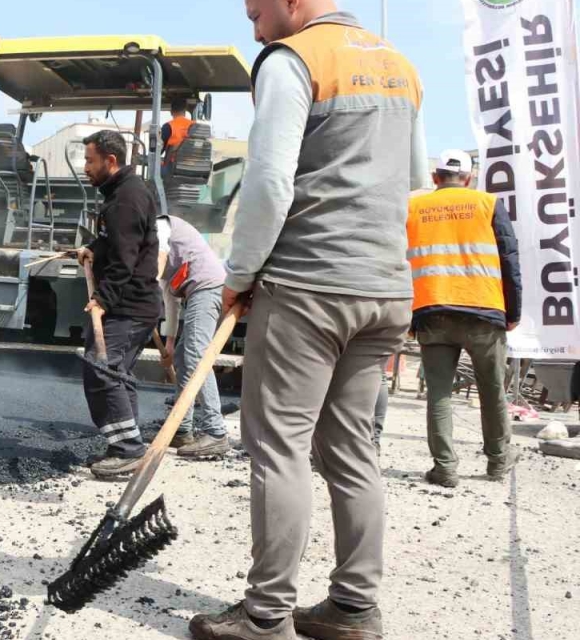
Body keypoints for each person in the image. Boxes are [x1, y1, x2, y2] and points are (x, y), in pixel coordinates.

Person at [190, 3, 426, 639]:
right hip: (383, 291)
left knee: (279, 445)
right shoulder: (400, 67)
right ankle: (354, 608)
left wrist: (239, 274)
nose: (255, 28)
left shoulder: (294, 60)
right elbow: (416, 184)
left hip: (310, 285)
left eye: (258, 12)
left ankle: (266, 616)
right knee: (352, 447)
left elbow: (268, 183)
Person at [408, 149, 522, 488]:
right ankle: (498, 463)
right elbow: (509, 258)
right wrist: (513, 311)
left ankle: (444, 468)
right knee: (491, 391)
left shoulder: (413, 207)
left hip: (431, 312)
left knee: (439, 395)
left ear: (435, 178)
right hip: (484, 312)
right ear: (469, 179)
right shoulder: (488, 204)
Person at [74, 130, 163, 478]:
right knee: (117, 374)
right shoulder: (121, 194)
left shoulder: (126, 199)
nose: (86, 167)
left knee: (102, 368)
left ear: (111, 161)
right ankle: (128, 444)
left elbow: (125, 260)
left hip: (131, 305)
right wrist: (93, 249)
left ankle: (127, 449)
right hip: (135, 304)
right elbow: (115, 240)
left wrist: (101, 299)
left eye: (90, 160)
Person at [158, 214, 230, 458]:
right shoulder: (163, 255)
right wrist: (169, 342)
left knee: (197, 354)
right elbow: (170, 299)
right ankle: (182, 430)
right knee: (181, 358)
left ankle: (216, 432)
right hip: (196, 292)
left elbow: (154, 274)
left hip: (208, 288)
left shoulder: (158, 227)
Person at [160, 96, 194, 170]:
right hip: (193, 166)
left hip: (173, 168)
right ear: (185, 112)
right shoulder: (195, 126)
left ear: (171, 112)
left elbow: (158, 151)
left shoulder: (168, 127)